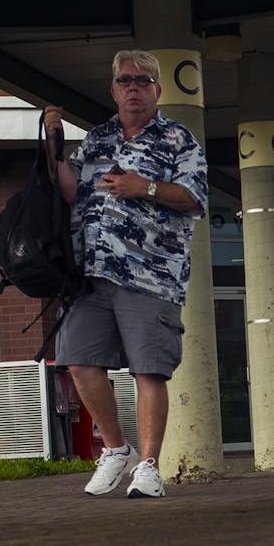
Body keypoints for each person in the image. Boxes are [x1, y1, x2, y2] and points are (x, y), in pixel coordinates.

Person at [43, 51, 208, 499]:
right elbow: (71, 190)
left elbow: (195, 198)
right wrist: (54, 146)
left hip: (151, 274)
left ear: (157, 89)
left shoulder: (178, 139)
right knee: (77, 359)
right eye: (124, 81)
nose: (133, 87)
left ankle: (150, 467)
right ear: (114, 89)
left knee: (148, 370)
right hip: (91, 271)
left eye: (142, 80)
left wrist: (145, 187)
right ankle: (116, 450)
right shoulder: (97, 139)